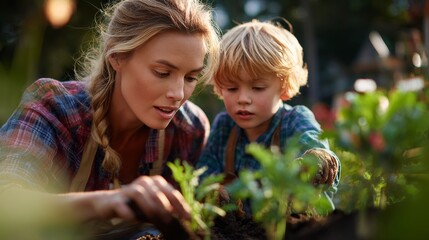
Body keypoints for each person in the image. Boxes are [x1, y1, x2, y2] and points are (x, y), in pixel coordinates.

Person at [0, 0, 220, 238]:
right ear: (117, 57)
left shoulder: (188, 130)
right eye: (162, 73)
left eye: (190, 78)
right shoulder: (56, 110)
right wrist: (105, 202)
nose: (178, 94)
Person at [196, 19, 340, 215]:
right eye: (231, 88)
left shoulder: (295, 120)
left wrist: (315, 161)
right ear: (220, 87)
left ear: (284, 87)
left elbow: (318, 153)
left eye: (257, 88)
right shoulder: (224, 126)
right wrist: (214, 192)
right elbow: (203, 175)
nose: (243, 99)